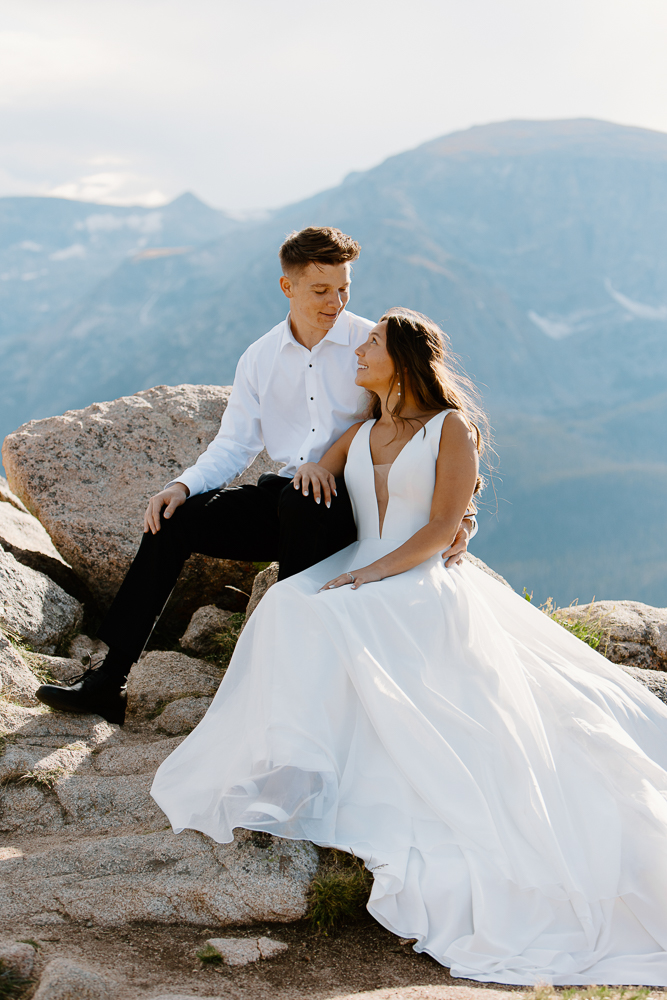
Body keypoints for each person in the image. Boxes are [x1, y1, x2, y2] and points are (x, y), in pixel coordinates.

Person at [152, 308, 667, 987]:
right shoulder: (360, 431)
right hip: (362, 564)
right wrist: (304, 480)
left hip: (421, 575)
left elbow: (441, 526)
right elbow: (312, 469)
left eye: (369, 343)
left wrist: (373, 571)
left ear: (401, 358)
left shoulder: (450, 428)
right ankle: (292, 762)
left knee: (336, 613)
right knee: (285, 603)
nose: (358, 350)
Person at [34, 229, 476, 725]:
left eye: (343, 288)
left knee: (303, 502)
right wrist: (180, 486)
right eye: (321, 290)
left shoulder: (371, 345)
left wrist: (461, 516)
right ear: (288, 288)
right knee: (174, 520)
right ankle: (107, 678)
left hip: (353, 508)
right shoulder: (260, 357)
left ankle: (289, 676)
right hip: (289, 497)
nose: (337, 302)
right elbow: (234, 444)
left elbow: (428, 422)